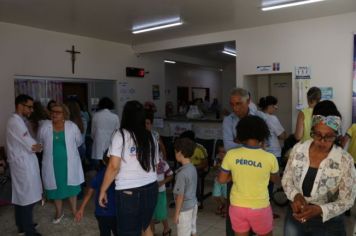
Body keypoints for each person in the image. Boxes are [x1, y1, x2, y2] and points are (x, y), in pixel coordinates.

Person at [282, 100, 356, 235]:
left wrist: (320, 210)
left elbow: (348, 199)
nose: (322, 141)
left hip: (329, 224)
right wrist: (296, 196)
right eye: (317, 135)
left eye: (328, 137)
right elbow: (286, 180)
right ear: (312, 130)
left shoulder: (344, 160)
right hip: (296, 216)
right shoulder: (298, 150)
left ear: (336, 135)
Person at [99, 100, 159, 236]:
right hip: (151, 188)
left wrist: (103, 190)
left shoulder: (120, 135)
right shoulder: (151, 137)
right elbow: (155, 165)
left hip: (129, 192)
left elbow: (114, 166)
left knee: (128, 232)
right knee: (146, 226)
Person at [218, 115, 280, 236]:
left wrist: (235, 175)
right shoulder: (270, 158)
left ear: (241, 133)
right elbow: (275, 179)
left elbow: (221, 179)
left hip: (237, 206)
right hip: (260, 207)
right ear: (263, 134)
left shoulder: (231, 154)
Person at [222, 87, 266, 236]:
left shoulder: (260, 117)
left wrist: (239, 142)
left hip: (257, 173)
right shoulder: (228, 120)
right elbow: (228, 146)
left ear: (248, 101)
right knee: (234, 215)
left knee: (257, 213)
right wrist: (252, 144)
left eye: (239, 104)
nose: (235, 108)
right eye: (232, 104)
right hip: (236, 173)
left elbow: (266, 145)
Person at [37, 103, 84, 224]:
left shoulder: (72, 126)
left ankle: (74, 210)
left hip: (69, 164)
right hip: (52, 165)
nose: (54, 114)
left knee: (71, 188)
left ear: (64, 114)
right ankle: (59, 212)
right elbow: (39, 143)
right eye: (52, 111)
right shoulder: (44, 126)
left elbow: (79, 141)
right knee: (56, 188)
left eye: (58, 112)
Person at [6, 94, 43, 235]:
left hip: (22, 163)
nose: (31, 110)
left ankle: (22, 225)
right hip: (22, 165)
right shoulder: (15, 122)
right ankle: (29, 230)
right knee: (27, 197)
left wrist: (36, 145)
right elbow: (33, 146)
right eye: (29, 107)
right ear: (20, 106)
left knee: (21, 195)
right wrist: (40, 146)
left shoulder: (18, 121)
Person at [75, 156, 117, 236]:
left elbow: (89, 193)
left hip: (101, 213)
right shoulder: (121, 174)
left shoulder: (100, 174)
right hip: (116, 213)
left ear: (104, 162)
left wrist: (81, 209)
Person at [173, 137, 198, 236]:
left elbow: (180, 196)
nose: (175, 154)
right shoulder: (192, 168)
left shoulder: (181, 174)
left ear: (180, 153)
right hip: (193, 204)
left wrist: (176, 213)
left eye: (175, 152)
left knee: (183, 233)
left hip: (185, 209)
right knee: (192, 230)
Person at [179, 130, 208, 209]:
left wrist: (193, 168)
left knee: (194, 177)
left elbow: (205, 164)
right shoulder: (182, 148)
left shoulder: (199, 148)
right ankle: (181, 198)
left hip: (199, 167)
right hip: (187, 166)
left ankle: (196, 199)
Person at [151, 156, 173, 236]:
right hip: (149, 192)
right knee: (150, 212)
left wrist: (162, 182)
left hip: (160, 192)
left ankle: (166, 228)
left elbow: (170, 175)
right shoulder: (145, 161)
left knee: (161, 212)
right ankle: (152, 231)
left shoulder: (163, 163)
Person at [91, 97, 120, 162]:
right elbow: (117, 133)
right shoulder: (115, 117)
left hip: (98, 145)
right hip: (111, 146)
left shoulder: (95, 116)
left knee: (98, 168)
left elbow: (93, 133)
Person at [212, 143, 227, 217]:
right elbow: (213, 168)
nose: (221, 153)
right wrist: (216, 166)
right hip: (217, 179)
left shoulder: (229, 159)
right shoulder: (217, 158)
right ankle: (221, 204)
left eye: (223, 152)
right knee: (215, 195)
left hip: (226, 181)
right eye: (219, 151)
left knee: (226, 196)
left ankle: (226, 208)